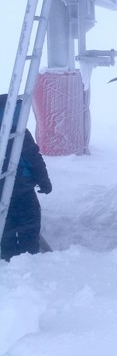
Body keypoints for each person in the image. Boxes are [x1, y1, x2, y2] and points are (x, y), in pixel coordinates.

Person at [0, 94, 52, 261]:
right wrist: (44, 180)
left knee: (5, 228)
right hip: (23, 189)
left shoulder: (18, 133)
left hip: (6, 192)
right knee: (29, 224)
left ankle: (9, 257)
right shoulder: (20, 132)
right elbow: (33, 157)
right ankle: (29, 256)